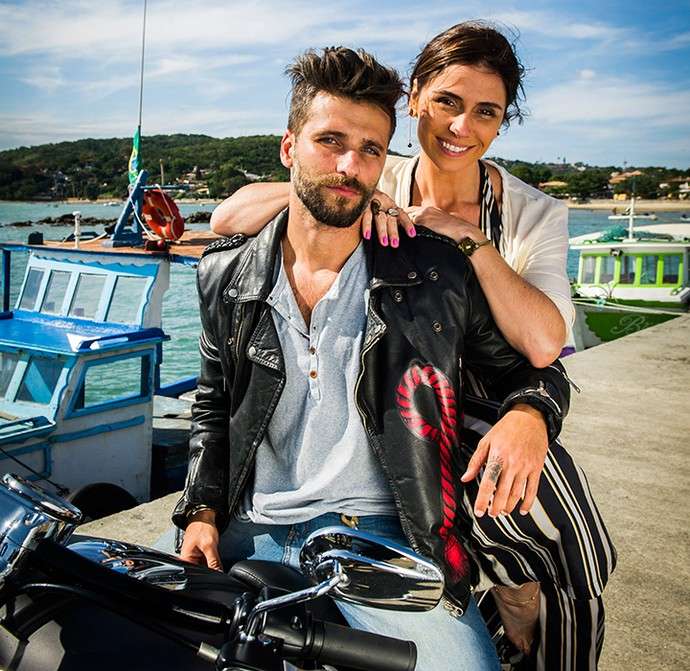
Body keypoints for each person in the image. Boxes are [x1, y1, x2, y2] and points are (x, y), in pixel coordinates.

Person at [209, 22, 615, 670]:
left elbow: (544, 343)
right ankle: (499, 599)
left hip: (479, 396)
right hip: (392, 402)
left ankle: (529, 608)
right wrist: (352, 194)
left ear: (502, 122)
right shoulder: (373, 167)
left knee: (553, 523)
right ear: (416, 97)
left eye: (486, 111)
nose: (461, 125)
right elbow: (226, 218)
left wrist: (463, 238)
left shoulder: (531, 213)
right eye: (448, 101)